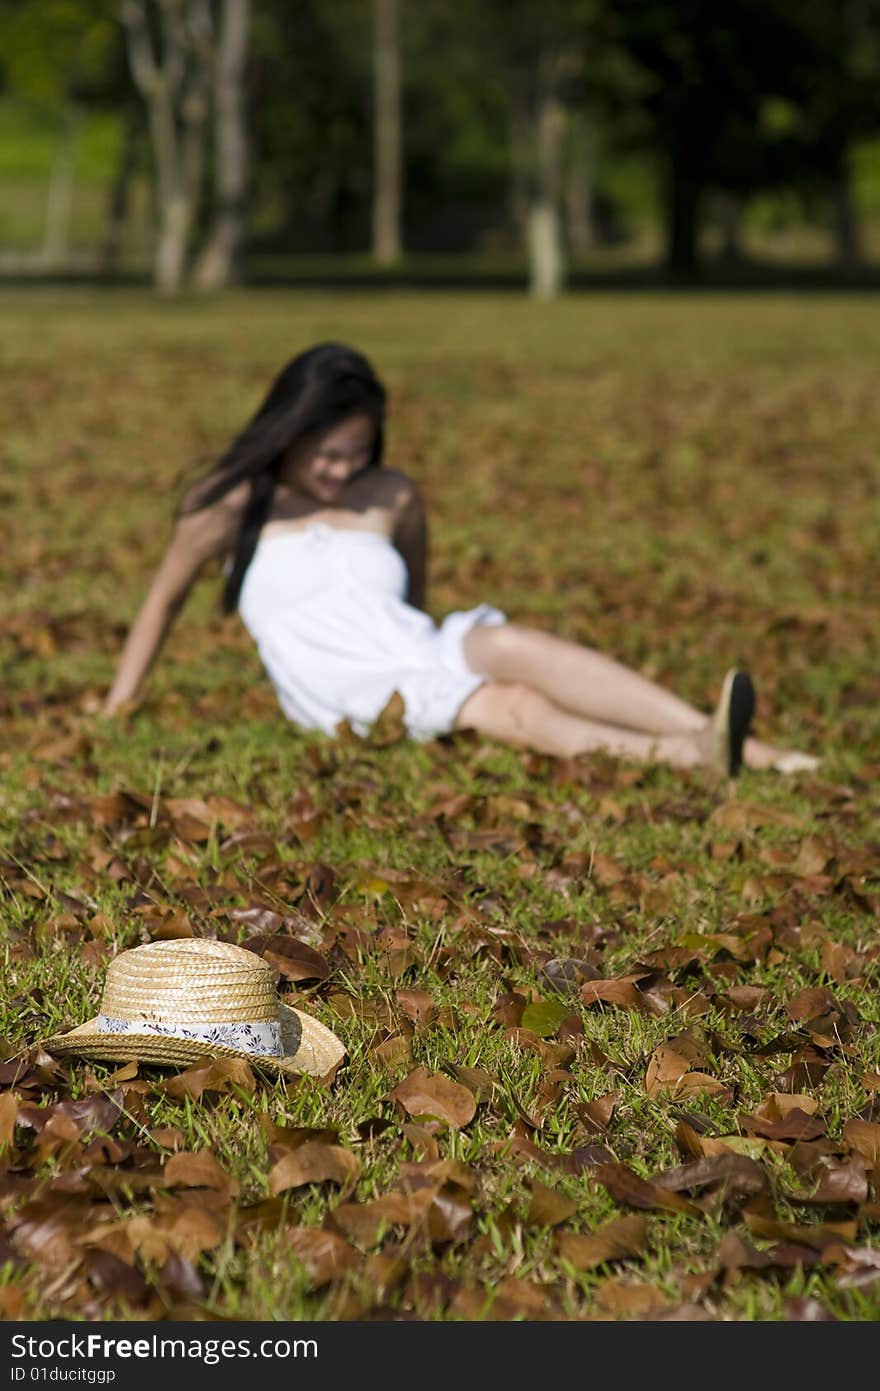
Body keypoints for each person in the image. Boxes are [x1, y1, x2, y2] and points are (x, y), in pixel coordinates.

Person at [103, 342, 818, 777]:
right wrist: (119, 704)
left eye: (355, 451)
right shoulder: (228, 505)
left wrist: (435, 649)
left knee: (516, 643)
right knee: (514, 703)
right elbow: (162, 601)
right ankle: (694, 756)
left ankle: (732, 741)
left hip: (409, 641)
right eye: (324, 451)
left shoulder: (391, 493)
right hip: (340, 682)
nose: (338, 469)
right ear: (286, 429)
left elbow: (413, 596)